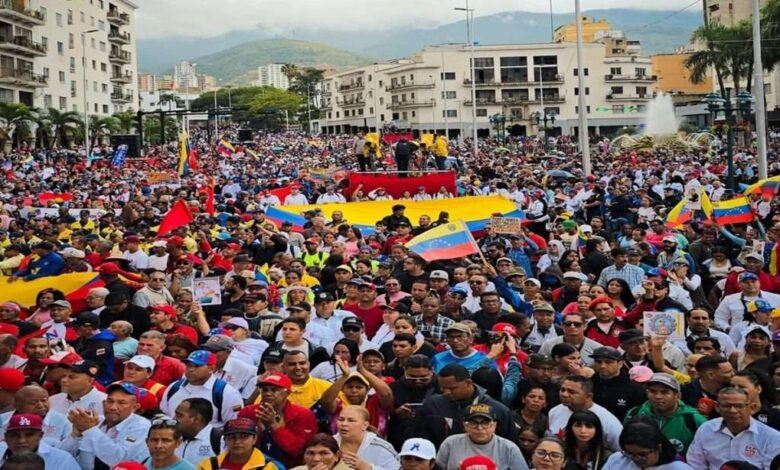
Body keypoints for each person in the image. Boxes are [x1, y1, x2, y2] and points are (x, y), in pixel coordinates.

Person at [413, 363, 517, 448]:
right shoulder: (432, 405)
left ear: (468, 383)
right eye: (442, 388)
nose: (446, 392)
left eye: (452, 388)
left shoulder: (498, 410)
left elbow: (509, 445)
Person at [61, 382, 153, 468]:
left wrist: (89, 429)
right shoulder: (95, 421)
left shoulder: (141, 426)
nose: (113, 407)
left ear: (135, 407)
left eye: (121, 403)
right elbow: (59, 456)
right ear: (103, 403)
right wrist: (75, 435)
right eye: (110, 401)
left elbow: (118, 460)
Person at [237, 372, 318, 468]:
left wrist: (274, 426)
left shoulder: (303, 415)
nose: (268, 393)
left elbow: (299, 450)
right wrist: (258, 430)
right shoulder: (248, 412)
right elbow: (239, 445)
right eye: (265, 390)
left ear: (287, 393)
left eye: (274, 390)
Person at [687, 387, 780, 469]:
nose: (733, 410)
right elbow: (695, 464)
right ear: (717, 407)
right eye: (727, 406)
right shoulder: (706, 429)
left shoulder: (771, 437)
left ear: (752, 408)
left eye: (739, 406)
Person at [624, 373, 706, 454]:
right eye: (653, 391)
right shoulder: (634, 414)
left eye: (664, 392)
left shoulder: (694, 420)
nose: (658, 396)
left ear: (678, 396)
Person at [160, 350, 244, 427]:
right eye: (188, 365)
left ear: (211, 369)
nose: (190, 369)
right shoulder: (174, 387)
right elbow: (164, 414)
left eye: (196, 366)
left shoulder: (226, 392)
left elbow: (233, 424)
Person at [436, 403, 529, 470]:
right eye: (473, 423)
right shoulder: (451, 443)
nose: (479, 428)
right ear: (465, 425)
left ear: (494, 425)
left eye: (485, 423)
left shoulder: (509, 448)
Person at [547, 375, 623, 452]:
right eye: (562, 390)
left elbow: (621, 451)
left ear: (588, 396)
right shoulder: (554, 411)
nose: (564, 394)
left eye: (571, 392)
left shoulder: (608, 421)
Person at [601, 416, 693, 469]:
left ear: (659, 448)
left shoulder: (678, 468)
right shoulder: (617, 460)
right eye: (629, 453)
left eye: (642, 454)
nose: (636, 459)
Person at [196, 417, 283, 470]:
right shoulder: (208, 465)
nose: (237, 442)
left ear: (254, 439)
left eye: (244, 436)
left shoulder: (270, 467)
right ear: (225, 440)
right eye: (232, 437)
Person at [0, 413, 80, 470]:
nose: (21, 440)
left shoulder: (63, 459)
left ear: (40, 436)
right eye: (15, 435)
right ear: (6, 437)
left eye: (29, 435)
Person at [334, 405, 399, 470]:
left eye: (351, 420)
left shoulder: (382, 447)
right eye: (341, 419)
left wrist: (369, 468)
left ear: (365, 425)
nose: (344, 424)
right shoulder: (329, 443)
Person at [590, 347, 645, 422]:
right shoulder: (587, 384)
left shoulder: (635, 390)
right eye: (598, 362)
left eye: (608, 362)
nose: (603, 366)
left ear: (620, 364)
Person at [431, 323, 496, 374]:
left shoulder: (484, 359)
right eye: (450, 337)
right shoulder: (438, 358)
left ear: (470, 339)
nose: (455, 340)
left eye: (460, 336)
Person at [174, 398, 221, 465]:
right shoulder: (173, 438)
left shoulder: (218, 440)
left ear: (196, 419)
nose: (174, 419)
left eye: (179, 415)